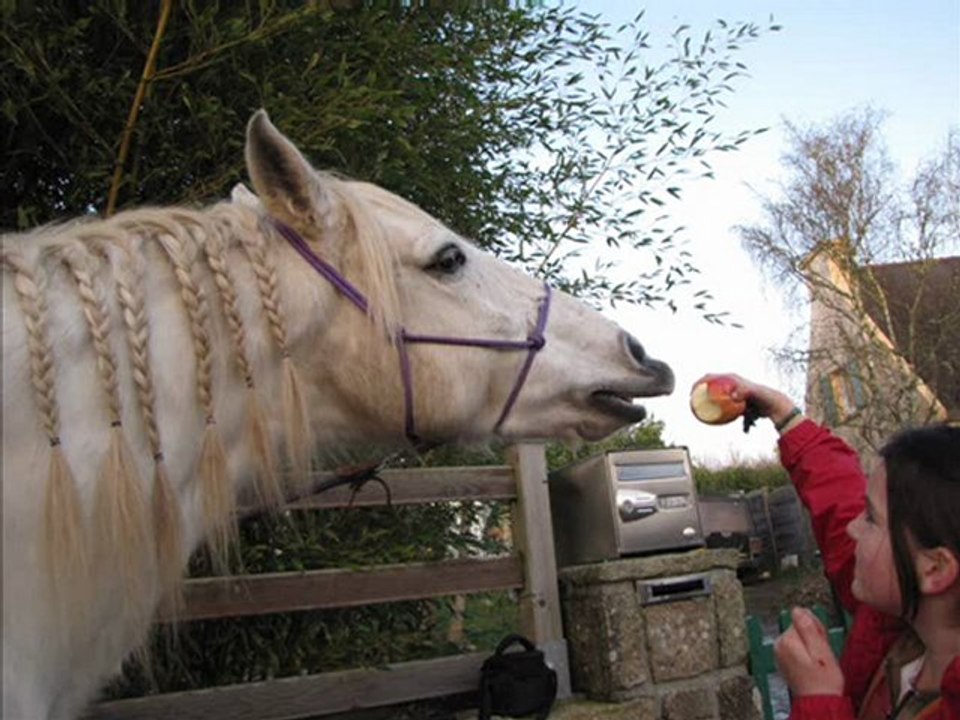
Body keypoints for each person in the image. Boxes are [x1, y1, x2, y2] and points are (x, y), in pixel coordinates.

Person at [694, 374, 960, 720]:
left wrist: (819, 700)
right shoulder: (896, 618)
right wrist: (786, 418)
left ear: (935, 568)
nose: (852, 527)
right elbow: (839, 502)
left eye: (870, 518)